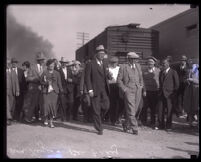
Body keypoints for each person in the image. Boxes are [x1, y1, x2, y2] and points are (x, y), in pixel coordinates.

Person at [85, 45, 110, 135]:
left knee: (106, 106)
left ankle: (96, 117)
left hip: (104, 90)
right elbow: (87, 78)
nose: (102, 55)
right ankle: (99, 128)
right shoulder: (90, 64)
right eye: (100, 54)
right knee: (96, 110)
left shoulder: (105, 63)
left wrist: (109, 75)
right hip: (95, 90)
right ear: (96, 54)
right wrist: (90, 90)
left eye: (103, 54)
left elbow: (106, 76)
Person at [117, 52, 144, 135]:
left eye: (135, 59)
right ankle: (135, 128)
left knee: (135, 110)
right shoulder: (123, 67)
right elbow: (119, 80)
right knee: (131, 110)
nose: (134, 60)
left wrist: (141, 86)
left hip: (138, 90)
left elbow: (141, 77)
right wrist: (124, 89)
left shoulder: (138, 66)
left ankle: (126, 124)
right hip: (129, 91)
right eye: (133, 59)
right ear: (128, 59)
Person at [157, 58, 179, 131]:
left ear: (168, 64)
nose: (163, 64)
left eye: (164, 63)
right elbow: (160, 83)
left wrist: (173, 94)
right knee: (160, 110)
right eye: (162, 63)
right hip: (161, 94)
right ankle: (161, 125)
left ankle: (168, 126)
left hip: (170, 95)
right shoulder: (161, 72)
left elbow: (177, 85)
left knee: (169, 111)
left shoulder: (173, 72)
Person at [40, 59, 63, 128]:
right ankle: (46, 119)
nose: (52, 66)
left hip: (54, 93)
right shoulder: (44, 72)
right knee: (46, 106)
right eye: (51, 65)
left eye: (53, 65)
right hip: (46, 92)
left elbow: (59, 83)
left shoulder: (57, 73)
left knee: (53, 107)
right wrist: (46, 83)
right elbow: (41, 81)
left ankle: (51, 122)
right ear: (48, 66)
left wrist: (61, 90)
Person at [140, 56, 160, 129]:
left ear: (154, 63)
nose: (150, 63)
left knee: (153, 108)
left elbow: (160, 80)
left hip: (155, 91)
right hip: (146, 91)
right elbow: (142, 81)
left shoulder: (158, 70)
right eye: (148, 62)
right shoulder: (144, 70)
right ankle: (144, 121)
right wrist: (144, 90)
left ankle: (152, 122)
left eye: (151, 62)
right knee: (144, 107)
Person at [31, 52, 46, 121]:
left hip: (43, 88)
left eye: (43, 59)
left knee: (43, 103)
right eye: (41, 59)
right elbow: (28, 78)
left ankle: (42, 118)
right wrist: (35, 79)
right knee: (35, 103)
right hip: (35, 88)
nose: (43, 61)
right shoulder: (32, 67)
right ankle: (36, 116)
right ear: (38, 60)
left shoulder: (45, 68)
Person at [183, 60, 199, 127]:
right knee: (189, 106)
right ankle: (190, 122)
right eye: (189, 63)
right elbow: (184, 79)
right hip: (189, 90)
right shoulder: (187, 70)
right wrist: (186, 80)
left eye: (192, 63)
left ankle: (198, 123)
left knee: (197, 106)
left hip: (197, 90)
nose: (190, 64)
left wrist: (193, 80)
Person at [106, 56, 120, 125]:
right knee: (112, 104)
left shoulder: (119, 68)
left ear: (117, 63)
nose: (114, 64)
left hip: (118, 86)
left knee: (118, 104)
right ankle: (112, 119)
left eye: (115, 63)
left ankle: (117, 118)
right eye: (112, 63)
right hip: (111, 86)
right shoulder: (108, 69)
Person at [11, 57, 26, 122]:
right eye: (13, 62)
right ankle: (10, 117)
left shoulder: (21, 71)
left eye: (16, 62)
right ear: (11, 63)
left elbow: (24, 81)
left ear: (17, 63)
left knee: (19, 104)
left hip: (20, 91)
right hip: (11, 90)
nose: (14, 64)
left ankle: (16, 118)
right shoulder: (9, 70)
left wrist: (24, 90)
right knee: (11, 104)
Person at [7, 58, 19, 125]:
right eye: (7, 63)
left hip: (12, 91)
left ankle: (10, 118)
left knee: (11, 105)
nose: (8, 65)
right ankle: (8, 119)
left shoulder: (13, 71)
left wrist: (17, 90)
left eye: (9, 63)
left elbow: (16, 82)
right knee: (7, 105)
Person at [58, 57, 69, 121]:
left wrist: (72, 80)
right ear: (61, 63)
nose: (64, 64)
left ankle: (68, 115)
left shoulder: (69, 70)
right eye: (62, 63)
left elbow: (74, 79)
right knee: (62, 103)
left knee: (71, 102)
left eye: (65, 63)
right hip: (62, 89)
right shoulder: (58, 71)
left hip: (69, 89)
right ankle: (63, 117)